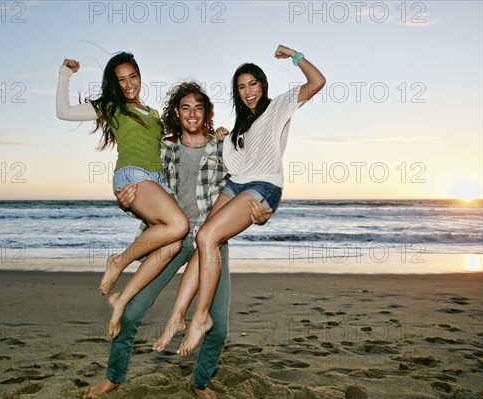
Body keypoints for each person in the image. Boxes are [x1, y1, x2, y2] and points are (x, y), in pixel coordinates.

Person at [84, 82, 272, 399]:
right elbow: (145, 193)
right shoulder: (162, 148)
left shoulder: (224, 146)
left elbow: (248, 186)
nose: (192, 114)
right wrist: (126, 202)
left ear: (207, 113)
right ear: (177, 113)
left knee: (219, 326)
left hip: (210, 242)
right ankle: (114, 376)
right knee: (131, 312)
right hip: (170, 239)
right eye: (186, 107)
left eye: (199, 107)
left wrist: (261, 211)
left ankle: (199, 382)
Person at [158, 44, 326, 356]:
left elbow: (317, 82)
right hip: (237, 184)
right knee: (202, 241)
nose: (248, 91)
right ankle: (176, 317)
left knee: (208, 236)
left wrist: (294, 56)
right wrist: (224, 140)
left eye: (252, 84)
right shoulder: (238, 128)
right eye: (241, 87)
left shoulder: (279, 106)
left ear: (263, 85)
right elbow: (234, 169)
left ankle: (201, 318)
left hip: (264, 186)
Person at [56, 53, 189, 339]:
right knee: (179, 225)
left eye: (133, 77)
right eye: (122, 80)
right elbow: (64, 112)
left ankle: (121, 299)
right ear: (115, 84)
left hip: (157, 182)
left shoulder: (153, 114)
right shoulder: (113, 107)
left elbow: (173, 145)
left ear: (140, 77)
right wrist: (64, 74)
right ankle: (118, 261)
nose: (129, 84)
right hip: (131, 176)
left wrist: (214, 133)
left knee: (173, 244)